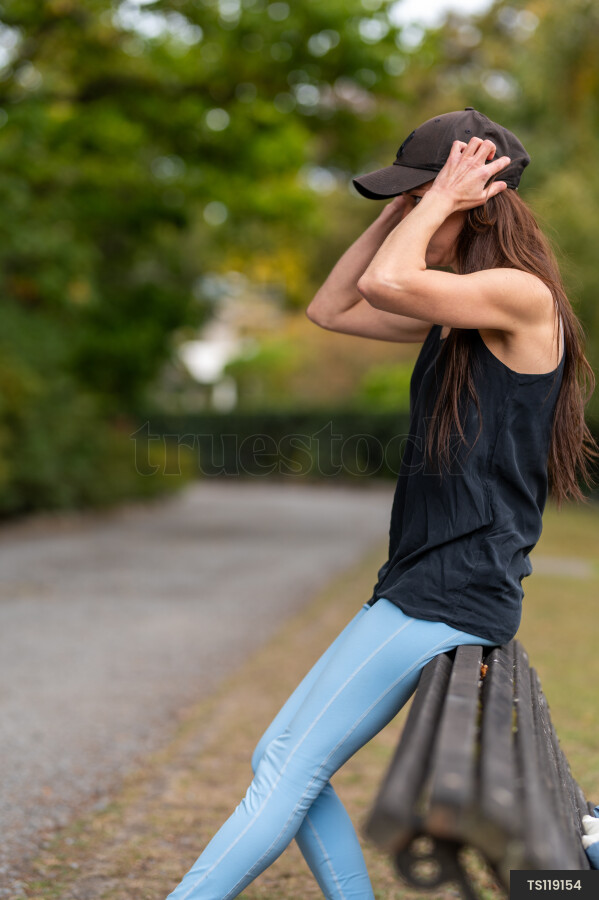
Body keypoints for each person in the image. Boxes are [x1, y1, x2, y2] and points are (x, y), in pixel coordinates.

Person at [165, 108, 597, 900]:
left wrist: (439, 203)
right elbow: (332, 308)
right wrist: (411, 209)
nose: (400, 216)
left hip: (449, 592)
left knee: (283, 774)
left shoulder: (516, 296)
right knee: (281, 764)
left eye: (412, 199)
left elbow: (385, 283)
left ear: (468, 203)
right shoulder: (456, 314)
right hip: (424, 584)